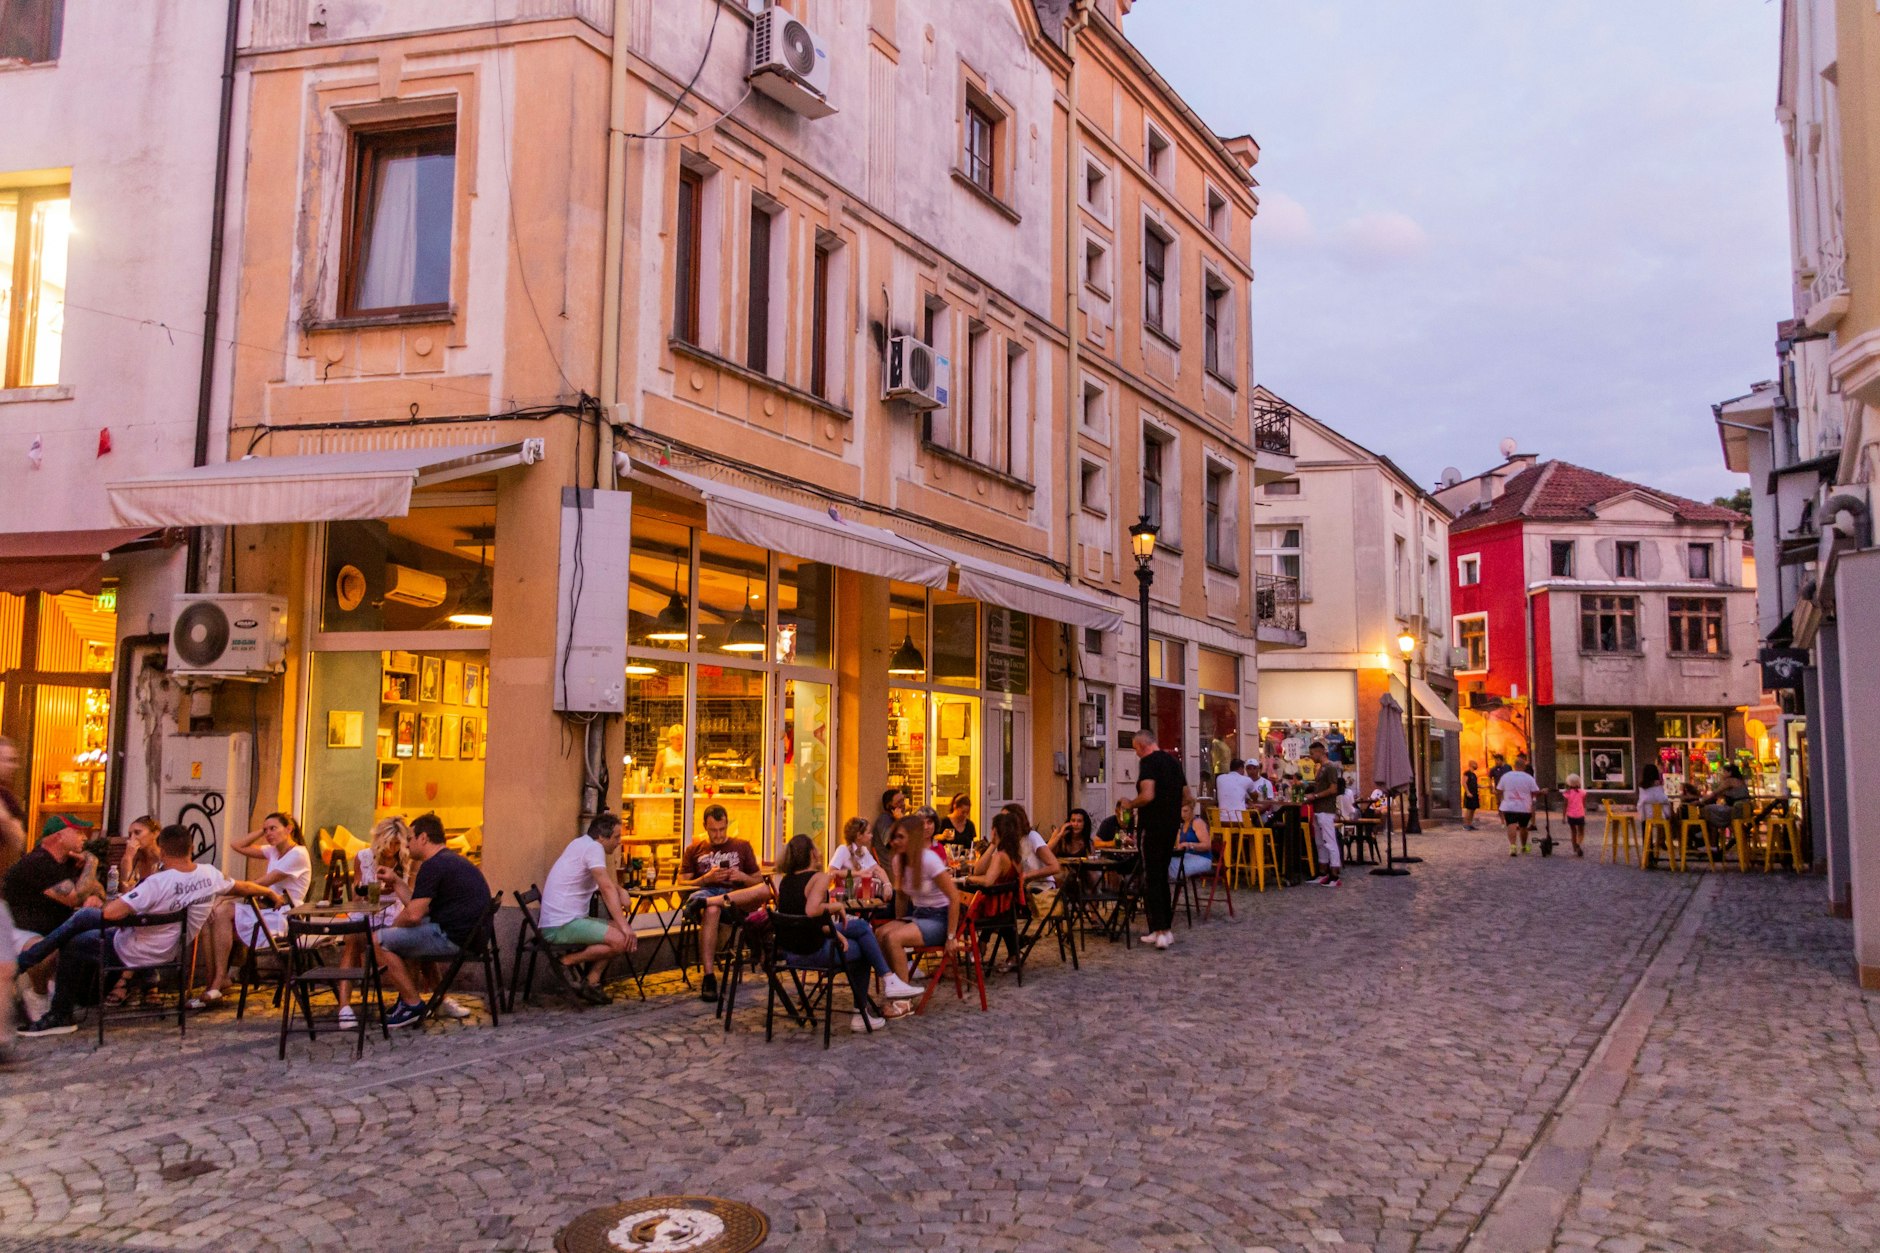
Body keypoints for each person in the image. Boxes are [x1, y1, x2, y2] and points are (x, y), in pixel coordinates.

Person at [19, 823, 278, 1036]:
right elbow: (242, 887)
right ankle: (36, 965)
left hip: (132, 951)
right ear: (191, 848)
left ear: (163, 851)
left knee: (76, 938)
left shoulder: (157, 883)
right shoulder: (209, 875)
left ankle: (54, 1005)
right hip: (169, 952)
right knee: (85, 922)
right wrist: (269, 893)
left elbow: (110, 913)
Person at [773, 833, 921, 1030]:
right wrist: (835, 908)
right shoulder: (818, 878)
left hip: (793, 953)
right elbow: (811, 911)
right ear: (811, 854)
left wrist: (836, 933)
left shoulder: (786, 882)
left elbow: (805, 920)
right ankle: (866, 1007)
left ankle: (888, 981)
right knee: (862, 950)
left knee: (860, 927)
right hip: (814, 952)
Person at [373, 812, 492, 1028]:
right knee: (405, 938)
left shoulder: (433, 866)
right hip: (471, 937)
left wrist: (390, 932)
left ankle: (412, 1004)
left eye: (410, 838)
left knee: (378, 940)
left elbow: (413, 915)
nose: (407, 845)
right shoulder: (450, 861)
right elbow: (418, 906)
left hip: (455, 939)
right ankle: (432, 1000)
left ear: (424, 838)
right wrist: (397, 881)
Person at [194, 812, 313, 1008]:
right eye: (266, 830)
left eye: (273, 828)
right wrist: (262, 830)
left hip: (285, 914)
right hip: (265, 909)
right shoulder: (273, 851)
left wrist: (226, 895)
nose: (268, 833)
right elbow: (237, 846)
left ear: (289, 829)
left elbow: (262, 883)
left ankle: (218, 980)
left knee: (223, 911)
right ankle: (215, 979)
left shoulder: (297, 854)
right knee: (212, 916)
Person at [3, 814, 96, 1024]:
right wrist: (92, 863)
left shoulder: (66, 862)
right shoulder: (39, 862)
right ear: (59, 836)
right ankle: (38, 996)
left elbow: (94, 891)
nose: (84, 838)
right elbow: (74, 898)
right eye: (78, 832)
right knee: (47, 948)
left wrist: (92, 894)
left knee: (86, 939)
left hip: (52, 929)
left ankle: (63, 994)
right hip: (21, 930)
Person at [538, 813, 637, 1005]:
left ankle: (590, 983)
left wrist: (620, 890)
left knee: (619, 934)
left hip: (564, 920)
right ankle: (567, 961)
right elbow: (605, 887)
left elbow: (604, 882)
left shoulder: (581, 844)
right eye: (616, 837)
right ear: (602, 837)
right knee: (621, 940)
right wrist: (624, 925)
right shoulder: (593, 848)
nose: (619, 842)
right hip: (561, 925)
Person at [677, 804, 765, 1005]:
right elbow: (681, 884)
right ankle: (709, 977)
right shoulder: (694, 849)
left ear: (727, 825)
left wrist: (741, 876)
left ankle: (704, 904)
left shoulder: (742, 846)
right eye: (713, 830)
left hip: (734, 897)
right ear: (705, 827)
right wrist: (706, 878)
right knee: (712, 908)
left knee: (718, 904)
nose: (718, 835)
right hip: (707, 894)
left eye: (722, 829)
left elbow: (758, 882)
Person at [1120, 728, 1188, 948]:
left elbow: (1148, 794)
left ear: (1141, 746)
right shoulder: (1174, 763)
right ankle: (1165, 929)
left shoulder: (1148, 762)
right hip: (1170, 827)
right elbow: (1188, 797)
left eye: (1135, 750)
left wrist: (1131, 803)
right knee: (1162, 875)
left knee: (1151, 877)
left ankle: (1159, 931)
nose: (1136, 754)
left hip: (1152, 826)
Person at [889, 814, 963, 966]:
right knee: (880, 934)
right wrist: (899, 920)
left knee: (893, 938)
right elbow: (901, 896)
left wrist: (951, 937)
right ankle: (897, 978)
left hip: (941, 917)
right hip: (919, 913)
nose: (895, 842)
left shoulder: (929, 859)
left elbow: (954, 897)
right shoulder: (899, 860)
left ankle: (902, 985)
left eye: (900, 837)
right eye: (894, 837)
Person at [1304, 742, 1344, 887]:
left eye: (1312, 753)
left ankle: (1334, 875)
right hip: (1318, 808)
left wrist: (1315, 796)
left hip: (1326, 809)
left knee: (1329, 841)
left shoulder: (1330, 768)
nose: (1311, 757)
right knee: (1320, 842)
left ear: (1320, 752)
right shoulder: (1321, 768)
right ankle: (1323, 873)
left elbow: (1333, 789)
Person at [829, 816, 893, 901]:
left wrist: (887, 884)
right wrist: (858, 873)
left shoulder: (864, 850)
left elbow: (878, 870)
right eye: (869, 833)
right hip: (849, 897)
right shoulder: (843, 850)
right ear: (859, 835)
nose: (872, 836)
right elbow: (831, 872)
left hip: (865, 895)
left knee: (893, 894)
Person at [1497, 756, 1540, 856]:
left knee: (1511, 825)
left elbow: (1499, 790)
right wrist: (1542, 792)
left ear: (1514, 766)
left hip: (1509, 806)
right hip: (1524, 807)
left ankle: (1513, 846)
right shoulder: (1529, 778)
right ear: (1524, 767)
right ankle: (1524, 846)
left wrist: (1502, 798)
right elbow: (1535, 791)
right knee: (1523, 827)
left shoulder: (1506, 776)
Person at [1700, 764, 1752, 838]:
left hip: (1736, 809)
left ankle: (1706, 835)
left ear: (1729, 773)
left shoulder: (1730, 781)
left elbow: (1715, 792)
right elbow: (1720, 794)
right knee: (1714, 811)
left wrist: (1701, 800)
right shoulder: (1739, 781)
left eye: (1724, 772)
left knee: (1707, 810)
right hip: (1744, 809)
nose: (1722, 774)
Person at [0, 736, 25, 881]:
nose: (14, 766)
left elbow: (19, 842)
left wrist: (4, 818)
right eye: (8, 760)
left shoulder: (6, 796)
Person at [1170, 799, 1213, 883]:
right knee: (1165, 861)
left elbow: (1207, 845)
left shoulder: (1197, 823)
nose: (1182, 814)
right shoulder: (1183, 824)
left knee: (1171, 866)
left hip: (1202, 858)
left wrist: (1190, 845)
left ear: (1192, 809)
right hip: (1188, 856)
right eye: (1180, 811)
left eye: (1185, 811)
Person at [116, 815, 162, 890]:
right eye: (130, 835)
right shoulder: (132, 859)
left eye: (137, 833)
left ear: (155, 834)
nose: (132, 838)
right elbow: (125, 890)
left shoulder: (164, 858)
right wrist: (128, 857)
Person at [869, 788, 908, 860]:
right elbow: (891, 843)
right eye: (899, 802)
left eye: (903, 800)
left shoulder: (896, 820)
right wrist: (901, 821)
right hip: (889, 864)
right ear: (889, 806)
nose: (903, 804)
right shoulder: (884, 819)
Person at [1215, 757, 1252, 823]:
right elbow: (1255, 795)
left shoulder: (1219, 778)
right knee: (1254, 825)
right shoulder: (1247, 780)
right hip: (1239, 821)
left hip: (1221, 821)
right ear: (1241, 768)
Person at [1562, 773, 1588, 857]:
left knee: (1573, 831)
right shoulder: (1582, 792)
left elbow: (1565, 805)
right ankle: (1578, 843)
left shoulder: (1567, 793)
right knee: (1581, 832)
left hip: (1571, 815)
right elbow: (1584, 804)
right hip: (1580, 814)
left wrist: (1563, 816)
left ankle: (1575, 847)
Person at [1461, 762, 1481, 831]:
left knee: (1473, 809)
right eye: (1475, 764)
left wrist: (1484, 786)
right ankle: (1465, 825)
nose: (1476, 765)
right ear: (1471, 765)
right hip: (1469, 794)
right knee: (1468, 810)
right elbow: (1463, 783)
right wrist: (1468, 792)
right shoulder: (1467, 773)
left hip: (1474, 794)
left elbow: (1475, 784)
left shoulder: (1474, 775)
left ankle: (1470, 824)